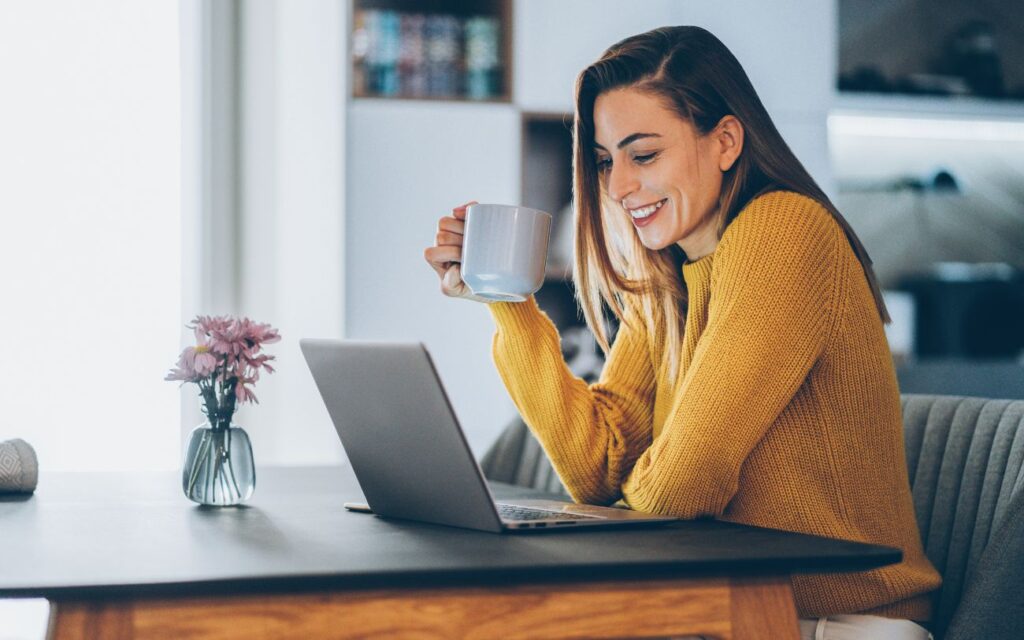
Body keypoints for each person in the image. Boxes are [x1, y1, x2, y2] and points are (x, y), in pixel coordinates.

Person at [424, 26, 940, 639]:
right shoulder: (674, 274)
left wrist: (595, 530)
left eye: (643, 155)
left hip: (837, 623)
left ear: (724, 141)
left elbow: (684, 482)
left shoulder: (784, 231)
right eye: (605, 161)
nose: (616, 188)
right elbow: (601, 465)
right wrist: (505, 298)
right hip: (727, 608)